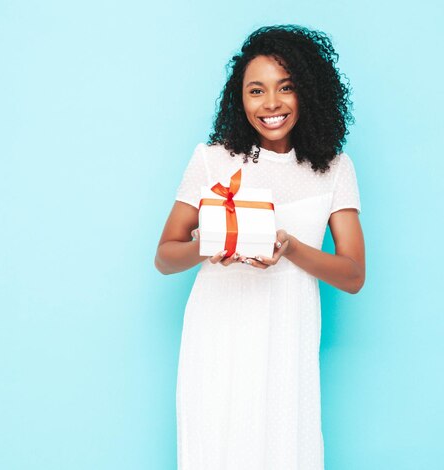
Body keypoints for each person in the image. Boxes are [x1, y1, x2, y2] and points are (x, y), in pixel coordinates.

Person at [155, 24, 365, 470]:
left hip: (287, 336)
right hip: (218, 333)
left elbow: (353, 274)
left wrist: (290, 248)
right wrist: (209, 242)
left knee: (285, 448)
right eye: (256, 90)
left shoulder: (335, 169)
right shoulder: (212, 159)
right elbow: (165, 256)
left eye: (285, 88)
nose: (271, 104)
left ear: (308, 92)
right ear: (240, 98)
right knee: (217, 446)